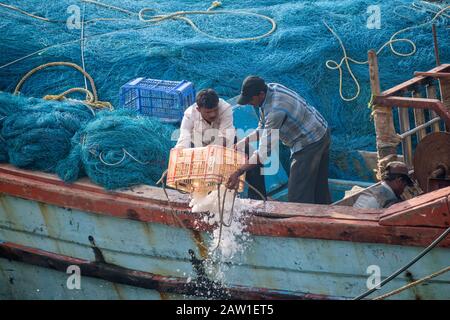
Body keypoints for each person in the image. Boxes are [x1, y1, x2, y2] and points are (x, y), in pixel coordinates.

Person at [226, 76, 330, 204]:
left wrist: (238, 171)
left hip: (310, 141)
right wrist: (244, 142)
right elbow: (263, 127)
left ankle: (301, 222)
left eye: (250, 100)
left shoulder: (275, 110)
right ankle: (324, 219)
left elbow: (263, 154)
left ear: (261, 94)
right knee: (319, 190)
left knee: (297, 196)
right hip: (321, 129)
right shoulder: (271, 88)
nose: (248, 103)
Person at [175, 88, 266, 199]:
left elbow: (225, 138)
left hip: (227, 141)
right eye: (208, 112)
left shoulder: (225, 108)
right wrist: (177, 159)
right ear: (198, 109)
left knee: (254, 162)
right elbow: (183, 139)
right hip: (200, 146)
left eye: (215, 110)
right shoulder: (189, 115)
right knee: (203, 176)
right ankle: (202, 201)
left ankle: (257, 202)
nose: (213, 114)